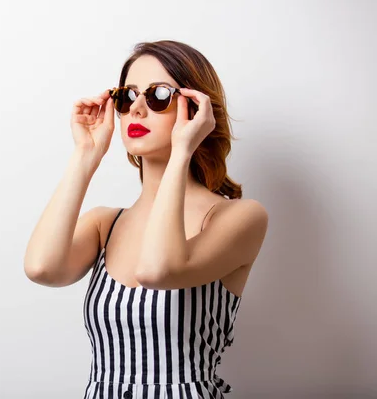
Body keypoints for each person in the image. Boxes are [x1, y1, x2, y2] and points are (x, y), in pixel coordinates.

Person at [23, 40, 269, 399]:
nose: (137, 108)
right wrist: (86, 154)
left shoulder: (239, 217)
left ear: (197, 110)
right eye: (127, 96)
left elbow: (159, 270)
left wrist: (183, 151)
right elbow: (41, 268)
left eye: (158, 95)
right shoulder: (104, 225)